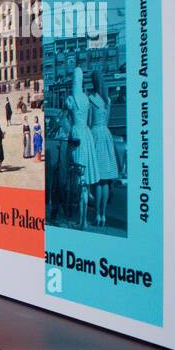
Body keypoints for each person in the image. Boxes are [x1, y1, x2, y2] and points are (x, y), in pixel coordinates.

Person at [86, 70, 120, 228]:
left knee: (98, 181)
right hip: (106, 135)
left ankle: (97, 215)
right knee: (105, 181)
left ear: (93, 82)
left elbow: (89, 121)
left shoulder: (91, 98)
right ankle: (103, 216)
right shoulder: (107, 100)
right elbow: (107, 119)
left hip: (95, 135)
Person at [65, 67, 95, 229]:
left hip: (76, 134)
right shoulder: (86, 99)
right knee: (85, 179)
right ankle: (83, 219)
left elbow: (67, 120)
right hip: (87, 135)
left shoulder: (70, 99)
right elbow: (89, 121)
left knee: (78, 175)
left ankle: (81, 221)